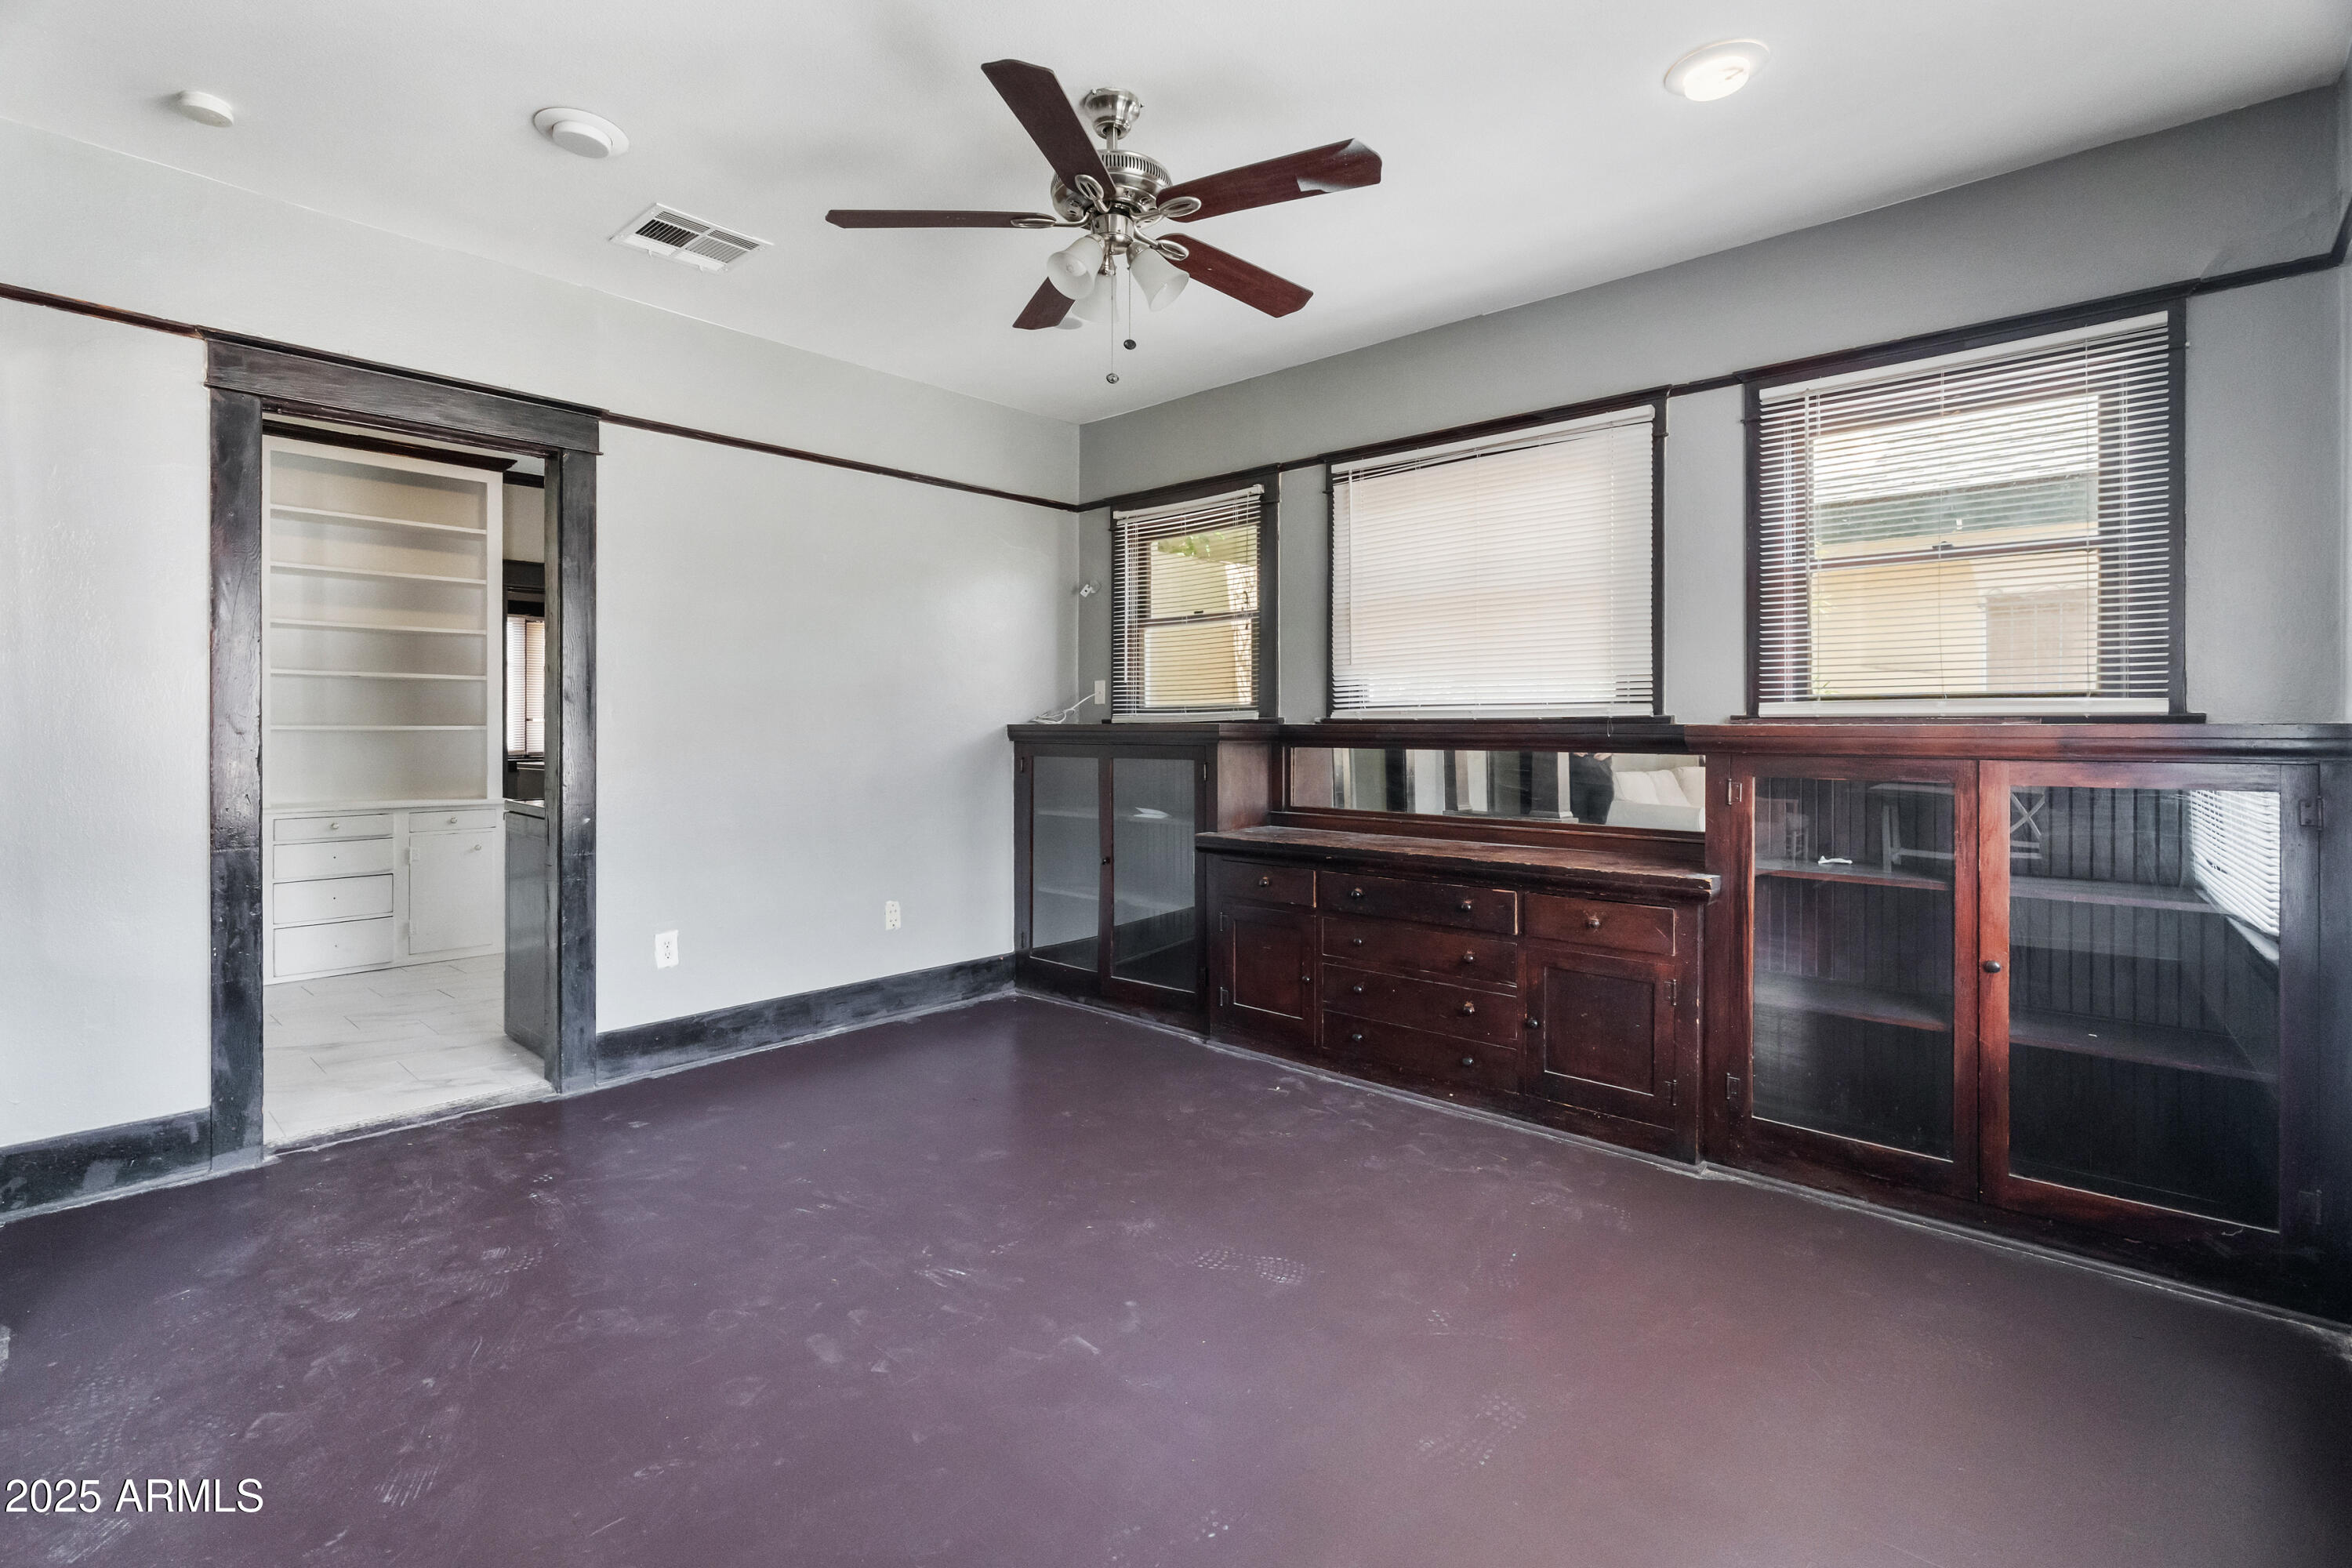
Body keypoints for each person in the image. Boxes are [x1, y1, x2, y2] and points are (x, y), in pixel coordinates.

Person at [1567, 752, 1615, 825]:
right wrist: (1570, 751)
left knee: (1597, 826)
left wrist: (1609, 752)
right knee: (1577, 825)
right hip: (1575, 783)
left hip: (1603, 783)